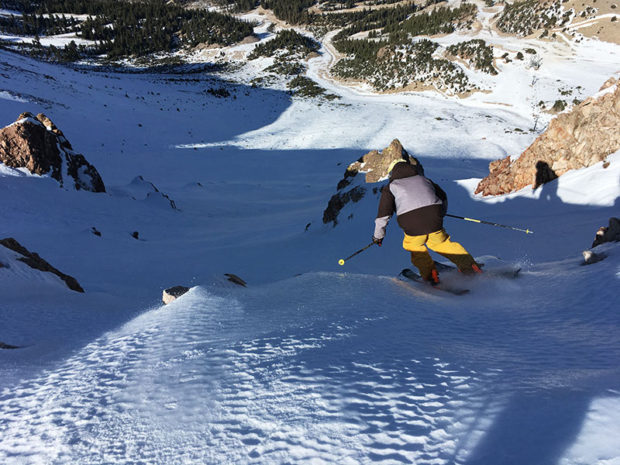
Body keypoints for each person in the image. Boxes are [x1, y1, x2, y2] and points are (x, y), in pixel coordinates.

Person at [372, 159, 481, 285]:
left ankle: (430, 275)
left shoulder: (391, 187)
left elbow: (383, 215)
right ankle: (470, 266)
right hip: (434, 217)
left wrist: (378, 237)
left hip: (411, 221)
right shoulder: (424, 179)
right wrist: (440, 213)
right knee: (441, 243)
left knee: (415, 246)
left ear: (393, 173)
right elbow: (442, 196)